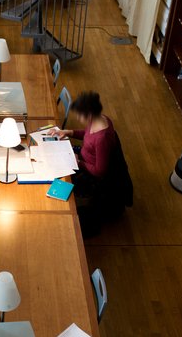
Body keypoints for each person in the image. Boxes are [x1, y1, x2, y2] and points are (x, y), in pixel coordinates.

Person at [52, 92, 133, 236]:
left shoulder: (102, 138)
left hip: (91, 172)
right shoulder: (100, 119)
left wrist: (80, 163)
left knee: (58, 179)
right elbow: (87, 134)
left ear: (89, 114)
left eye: (80, 115)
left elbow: (99, 171)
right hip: (83, 157)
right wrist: (69, 132)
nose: (78, 118)